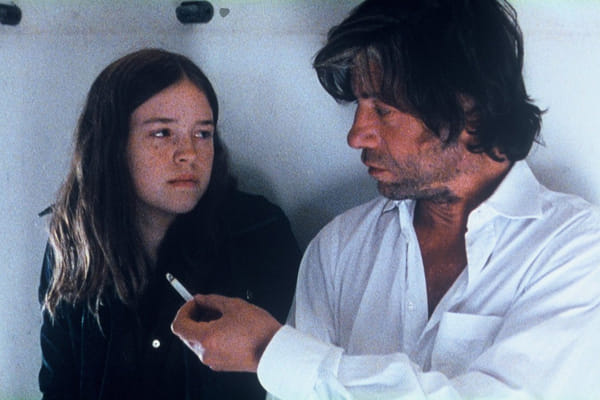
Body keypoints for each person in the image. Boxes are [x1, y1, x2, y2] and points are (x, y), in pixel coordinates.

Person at [171, 0, 600, 399]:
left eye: (383, 109)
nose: (356, 135)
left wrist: (272, 351)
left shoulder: (576, 249)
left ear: (469, 108)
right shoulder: (338, 248)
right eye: (358, 106)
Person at [38, 48, 301, 400]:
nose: (188, 153)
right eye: (162, 133)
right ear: (112, 145)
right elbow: (58, 387)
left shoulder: (257, 234)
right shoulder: (74, 241)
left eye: (203, 133)